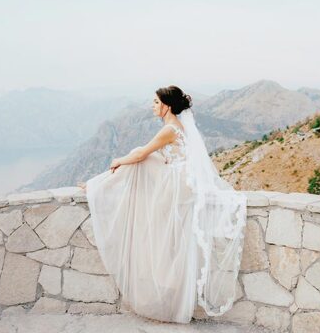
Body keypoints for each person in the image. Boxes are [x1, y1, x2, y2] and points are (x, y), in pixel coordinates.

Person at [83, 85, 247, 323]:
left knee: (139, 155)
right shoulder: (178, 128)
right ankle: (98, 184)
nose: (153, 106)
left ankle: (97, 186)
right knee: (144, 158)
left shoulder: (169, 129)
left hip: (177, 184)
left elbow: (141, 155)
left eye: (156, 102)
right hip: (181, 180)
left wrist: (118, 160)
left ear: (167, 106)